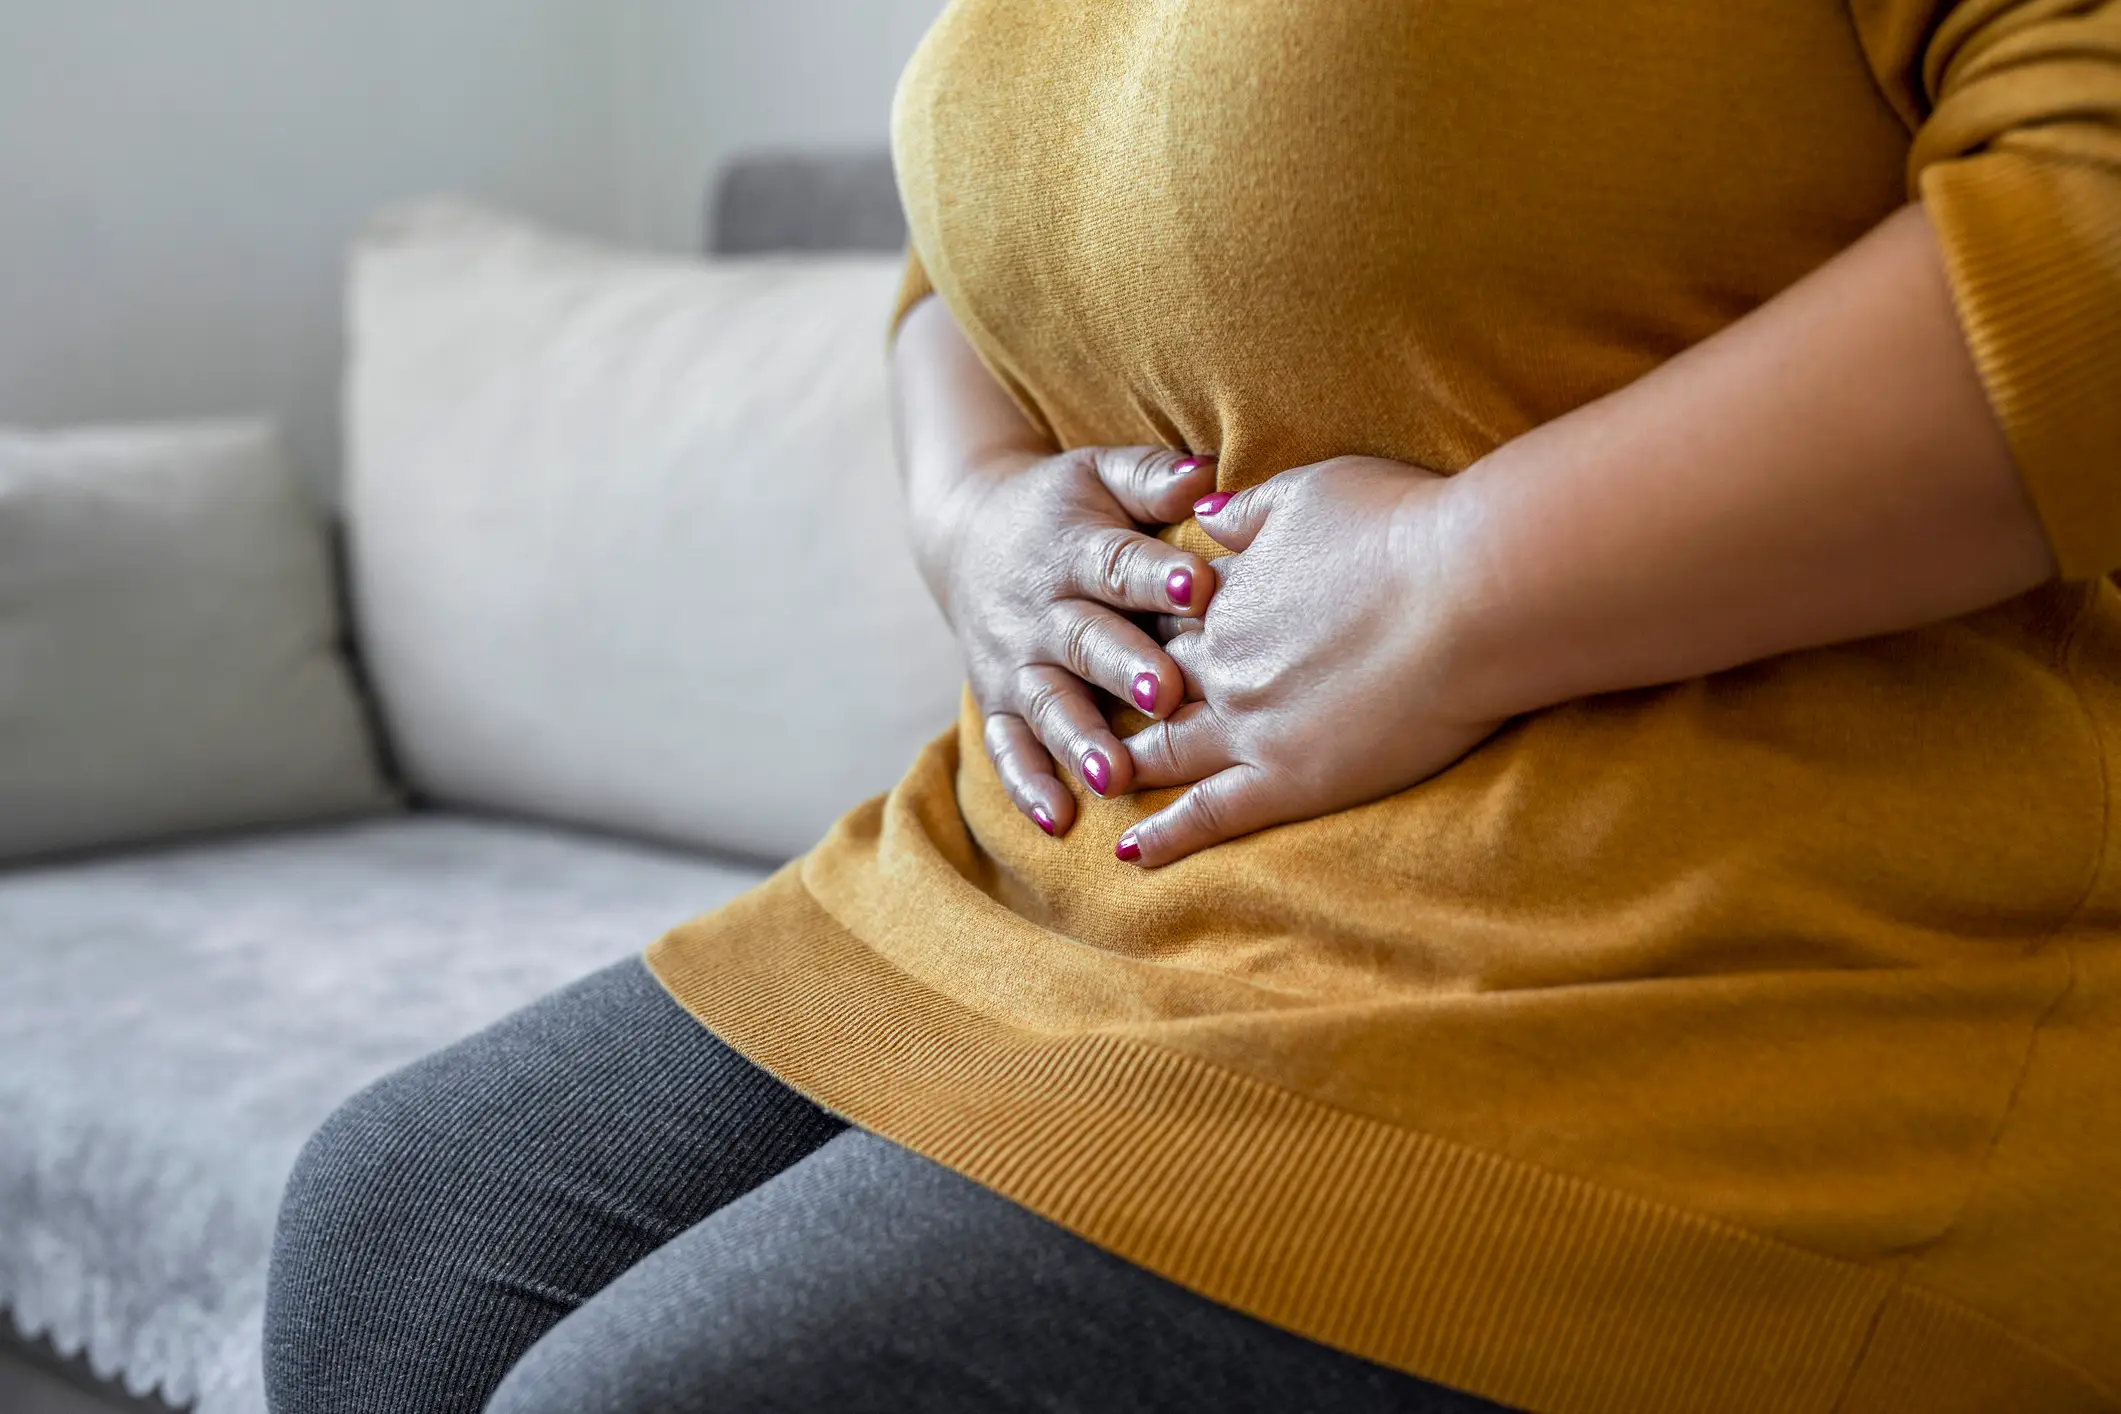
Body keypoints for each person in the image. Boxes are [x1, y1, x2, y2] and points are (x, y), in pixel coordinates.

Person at [263, 2, 2121, 1411]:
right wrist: (973, 511)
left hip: (1697, 952)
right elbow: (960, 259)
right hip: (1053, 888)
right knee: (401, 1229)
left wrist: (1453, 588)